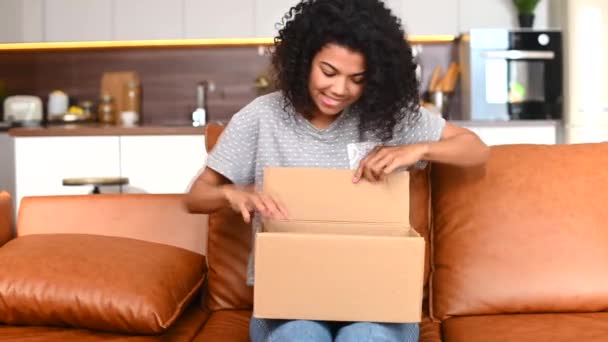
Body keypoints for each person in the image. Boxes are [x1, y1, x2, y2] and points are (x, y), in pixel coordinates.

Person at [185, 0, 489, 340]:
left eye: (356, 79)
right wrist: (230, 193)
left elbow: (475, 150)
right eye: (328, 72)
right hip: (291, 300)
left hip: (378, 300)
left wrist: (417, 149)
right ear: (303, 61)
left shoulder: (385, 116)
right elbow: (195, 198)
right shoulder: (262, 117)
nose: (339, 89)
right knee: (299, 336)